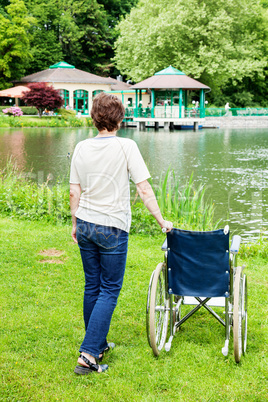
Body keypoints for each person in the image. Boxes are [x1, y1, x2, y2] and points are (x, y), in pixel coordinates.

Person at [69, 93, 173, 375]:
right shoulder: (126, 146)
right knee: (109, 290)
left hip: (87, 223)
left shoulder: (80, 147)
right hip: (112, 226)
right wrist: (161, 220)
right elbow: (144, 189)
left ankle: (98, 343)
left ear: (94, 117)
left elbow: (74, 191)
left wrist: (76, 222)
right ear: (120, 118)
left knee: (92, 285)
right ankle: (89, 355)